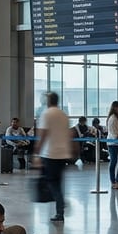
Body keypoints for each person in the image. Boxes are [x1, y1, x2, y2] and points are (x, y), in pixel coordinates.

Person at [35, 91, 72, 224]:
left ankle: (60, 204)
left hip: (50, 154)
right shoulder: (63, 114)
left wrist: (37, 153)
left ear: (49, 101)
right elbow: (68, 134)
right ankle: (59, 209)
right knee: (58, 182)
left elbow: (43, 135)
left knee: (52, 183)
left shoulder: (47, 114)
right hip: (63, 154)